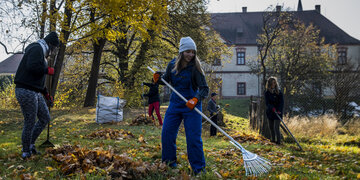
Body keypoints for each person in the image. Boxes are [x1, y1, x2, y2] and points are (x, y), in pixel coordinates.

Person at [153, 36, 209, 174]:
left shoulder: (195, 68)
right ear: (181, 51)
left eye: (193, 52)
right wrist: (157, 79)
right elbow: (165, 80)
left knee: (193, 138)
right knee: (167, 134)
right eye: (187, 51)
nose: (190, 55)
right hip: (175, 104)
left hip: (192, 106)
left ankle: (198, 169)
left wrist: (195, 99)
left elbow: (204, 89)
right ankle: (169, 163)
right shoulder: (172, 65)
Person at [14, 32, 60, 159]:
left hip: (35, 90)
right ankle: (26, 152)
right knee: (30, 121)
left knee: (45, 117)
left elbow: (38, 80)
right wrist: (46, 70)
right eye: (54, 48)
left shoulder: (42, 54)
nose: (54, 51)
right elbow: (32, 67)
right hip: (25, 89)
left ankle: (30, 144)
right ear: (50, 44)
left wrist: (46, 94)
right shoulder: (36, 48)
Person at [265, 77, 284, 145]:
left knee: (276, 128)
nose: (273, 84)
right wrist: (272, 108)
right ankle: (273, 140)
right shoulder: (267, 92)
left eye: (274, 82)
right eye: (272, 83)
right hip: (270, 112)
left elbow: (281, 102)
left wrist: (279, 110)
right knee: (271, 127)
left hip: (278, 112)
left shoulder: (279, 92)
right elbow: (267, 102)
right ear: (269, 83)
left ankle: (278, 141)